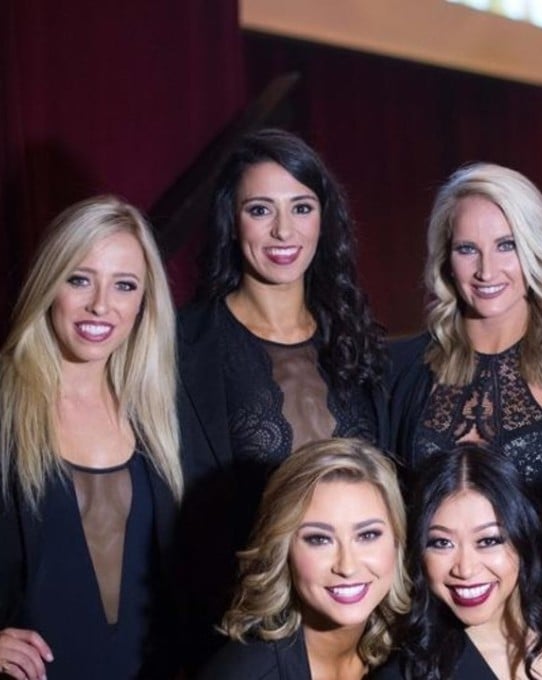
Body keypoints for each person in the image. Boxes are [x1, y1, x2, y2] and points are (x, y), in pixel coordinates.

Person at [177, 128, 389, 665]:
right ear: (232, 221)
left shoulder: (359, 343)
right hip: (236, 640)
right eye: (260, 209)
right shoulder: (180, 346)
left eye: (301, 206)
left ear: (325, 219)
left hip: (361, 642)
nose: (282, 230)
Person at [387, 162, 542, 620]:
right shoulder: (400, 372)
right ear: (445, 258)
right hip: (428, 627)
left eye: (506, 245)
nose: (486, 270)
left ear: (534, 247)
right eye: (466, 249)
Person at [0, 196, 182, 679]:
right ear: (49, 282)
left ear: (144, 302)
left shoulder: (158, 413)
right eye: (79, 279)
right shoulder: (5, 404)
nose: (101, 305)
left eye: (124, 286)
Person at [199, 438, 410, 679]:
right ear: (283, 550)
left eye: (368, 535)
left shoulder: (411, 654)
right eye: (319, 539)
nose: (347, 566)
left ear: (397, 541)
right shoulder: (245, 672)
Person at [376, 444, 542, 679]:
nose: (465, 569)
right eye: (442, 543)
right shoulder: (406, 674)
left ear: (524, 538)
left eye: (488, 540)